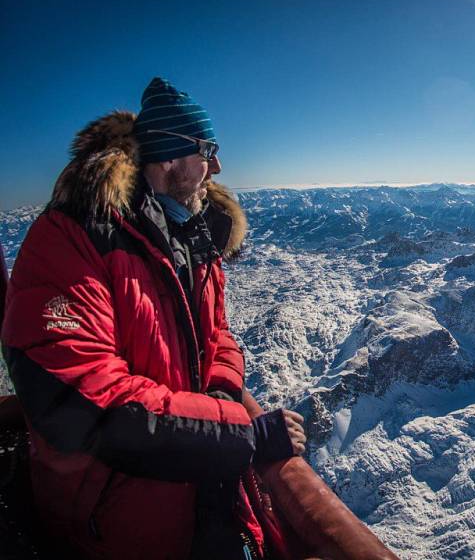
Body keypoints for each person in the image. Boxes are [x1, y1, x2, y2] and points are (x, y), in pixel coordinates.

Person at [1, 77, 305, 559]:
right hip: (117, 523)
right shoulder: (72, 240)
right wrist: (243, 433)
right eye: (208, 148)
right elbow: (81, 399)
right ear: (168, 159)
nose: (219, 165)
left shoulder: (191, 234)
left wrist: (222, 396)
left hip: (196, 484)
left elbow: (217, 334)